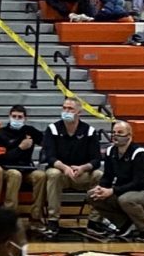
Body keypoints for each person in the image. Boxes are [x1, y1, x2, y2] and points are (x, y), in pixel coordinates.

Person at [35, 97, 102, 238]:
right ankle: (53, 220)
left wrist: (83, 168)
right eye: (64, 108)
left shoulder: (89, 131)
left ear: (79, 112)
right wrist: (65, 168)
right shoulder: (52, 129)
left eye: (70, 109)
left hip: (81, 174)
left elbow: (96, 159)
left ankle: (94, 220)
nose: (66, 111)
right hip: (61, 172)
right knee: (52, 173)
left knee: (98, 175)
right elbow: (50, 157)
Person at [87, 121, 144, 240]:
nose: (116, 135)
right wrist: (100, 188)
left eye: (120, 133)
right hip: (124, 191)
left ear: (129, 136)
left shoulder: (140, 154)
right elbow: (107, 176)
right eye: (114, 132)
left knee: (125, 200)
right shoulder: (111, 151)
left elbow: (138, 183)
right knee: (92, 195)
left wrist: (113, 191)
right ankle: (124, 224)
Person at [0, 105, 45, 209]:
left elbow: (47, 143)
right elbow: (1, 158)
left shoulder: (30, 131)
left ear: (25, 118)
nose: (16, 119)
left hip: (26, 169)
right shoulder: (0, 133)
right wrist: (20, 148)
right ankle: (10, 214)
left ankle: (36, 217)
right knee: (15, 174)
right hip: (7, 170)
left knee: (40, 176)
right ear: (9, 116)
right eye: (14, 116)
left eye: (20, 117)